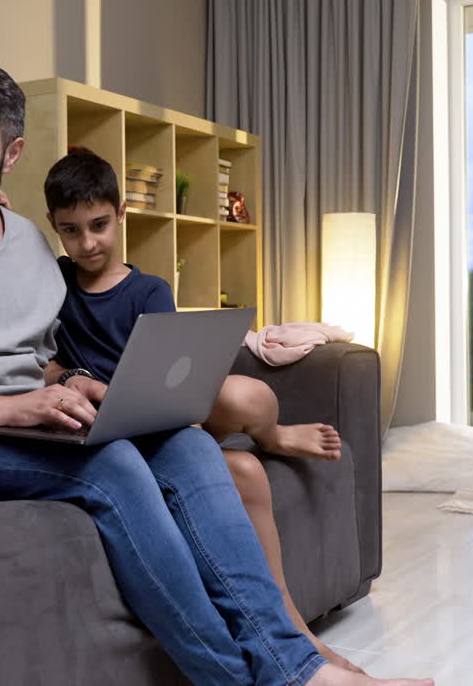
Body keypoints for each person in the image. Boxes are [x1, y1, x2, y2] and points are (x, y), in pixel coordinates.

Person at [0, 62, 431, 686]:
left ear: (11, 153)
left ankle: (300, 670)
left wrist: (67, 383)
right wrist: (12, 407)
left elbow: (40, 352)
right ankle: (251, 680)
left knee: (185, 441)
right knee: (115, 466)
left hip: (40, 420)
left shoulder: (26, 244)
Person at [41, 148, 357, 671]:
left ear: (121, 215)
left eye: (99, 225)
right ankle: (296, 635)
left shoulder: (149, 289)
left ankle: (275, 439)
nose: (87, 242)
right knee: (245, 472)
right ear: (54, 227)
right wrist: (75, 379)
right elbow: (45, 363)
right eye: (71, 230)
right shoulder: (54, 283)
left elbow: (172, 374)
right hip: (111, 431)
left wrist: (172, 405)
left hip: (164, 419)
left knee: (244, 395)